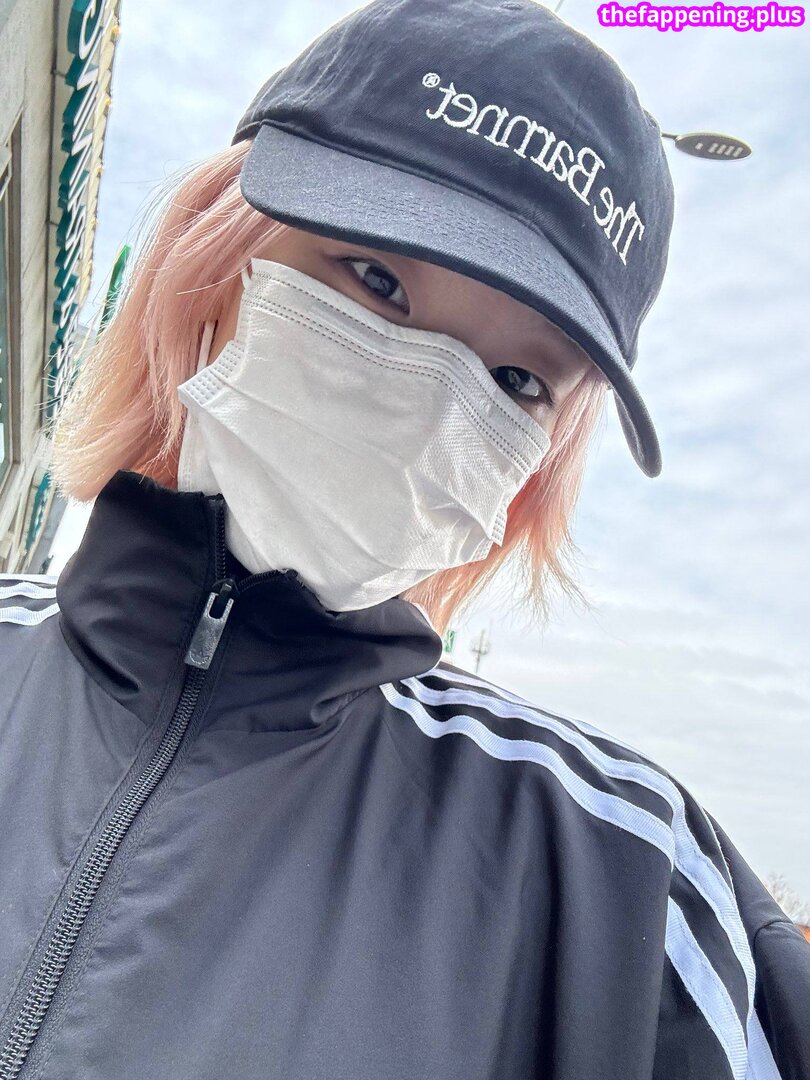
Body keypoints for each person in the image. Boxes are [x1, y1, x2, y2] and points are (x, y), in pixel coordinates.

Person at [0, 0, 807, 1077]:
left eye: (517, 379)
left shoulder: (623, 883)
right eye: (376, 278)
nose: (426, 406)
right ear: (215, 256)